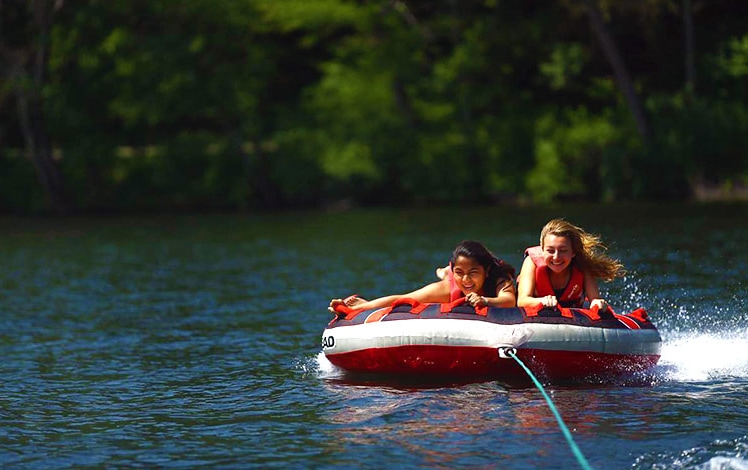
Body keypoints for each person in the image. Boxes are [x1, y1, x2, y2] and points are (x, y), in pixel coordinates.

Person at [329, 240, 516, 313]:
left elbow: (508, 301)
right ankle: (446, 271)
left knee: (461, 274)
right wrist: (364, 306)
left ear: (486, 271)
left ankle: (446, 271)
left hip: (486, 286)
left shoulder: (498, 278)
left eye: (473, 274)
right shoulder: (450, 288)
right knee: (445, 279)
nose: (466, 280)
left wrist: (484, 300)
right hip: (451, 278)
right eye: (460, 273)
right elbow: (404, 299)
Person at [516, 218, 625, 310]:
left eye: (563, 250)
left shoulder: (582, 266)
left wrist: (598, 304)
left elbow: (595, 299)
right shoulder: (532, 262)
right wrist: (543, 301)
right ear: (542, 248)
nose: (556, 257)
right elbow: (522, 301)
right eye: (550, 250)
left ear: (573, 252)